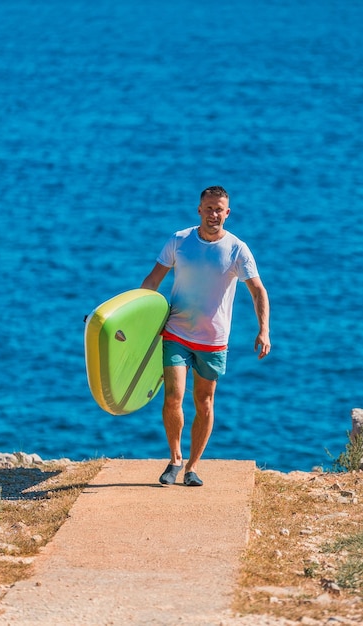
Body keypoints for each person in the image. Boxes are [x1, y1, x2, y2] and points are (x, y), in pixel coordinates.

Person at [141, 186, 270, 487]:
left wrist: (263, 329)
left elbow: (258, 290)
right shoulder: (179, 241)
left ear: (228, 213)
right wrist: (136, 318)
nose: (213, 214)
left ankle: (192, 466)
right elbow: (153, 280)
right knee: (173, 397)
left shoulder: (238, 249)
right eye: (208, 208)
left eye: (219, 209)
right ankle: (174, 459)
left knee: (205, 402)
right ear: (199, 210)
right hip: (176, 331)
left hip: (213, 340)